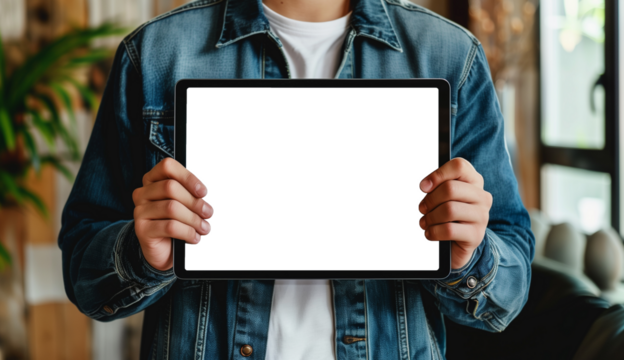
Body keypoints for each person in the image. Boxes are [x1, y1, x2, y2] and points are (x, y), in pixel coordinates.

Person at [58, 0, 535, 359]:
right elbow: (86, 276)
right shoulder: (156, 54)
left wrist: (471, 255)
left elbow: (506, 300)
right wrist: (143, 253)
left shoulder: (452, 58)